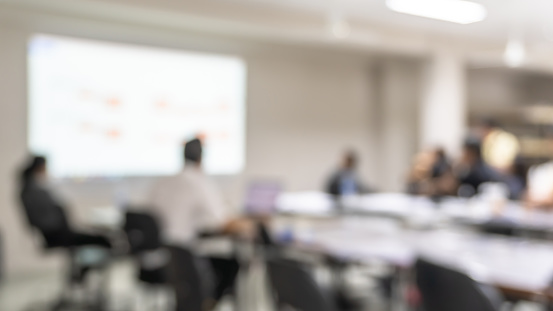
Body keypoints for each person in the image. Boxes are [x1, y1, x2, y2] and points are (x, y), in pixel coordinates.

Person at [149, 138, 252, 304]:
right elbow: (223, 222)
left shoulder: (162, 183)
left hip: (161, 259)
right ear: (201, 158)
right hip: (186, 262)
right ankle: (206, 304)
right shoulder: (199, 182)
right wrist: (250, 225)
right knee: (231, 264)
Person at [18, 156, 111, 249]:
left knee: (100, 236)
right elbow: (50, 218)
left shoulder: (31, 190)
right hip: (56, 235)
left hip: (58, 233)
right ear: (40, 168)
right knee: (104, 239)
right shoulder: (35, 192)